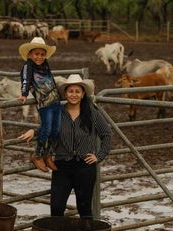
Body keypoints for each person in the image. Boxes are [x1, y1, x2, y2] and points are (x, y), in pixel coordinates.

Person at [18, 74, 112, 218]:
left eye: (77, 91)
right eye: (70, 91)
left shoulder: (92, 113)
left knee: (85, 209)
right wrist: (33, 131)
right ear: (65, 93)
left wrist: (99, 156)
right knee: (56, 208)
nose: (73, 94)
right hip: (62, 165)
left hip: (85, 166)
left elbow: (106, 134)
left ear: (82, 94)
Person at [18, 37, 61, 172]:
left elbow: (51, 79)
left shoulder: (45, 65)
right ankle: (37, 154)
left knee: (57, 129)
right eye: (36, 54)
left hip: (55, 100)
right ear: (30, 54)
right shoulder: (28, 66)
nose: (40, 57)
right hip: (44, 102)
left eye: (42, 54)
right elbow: (25, 80)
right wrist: (24, 93)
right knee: (47, 128)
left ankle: (48, 154)